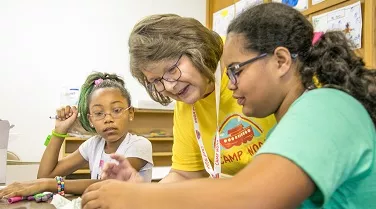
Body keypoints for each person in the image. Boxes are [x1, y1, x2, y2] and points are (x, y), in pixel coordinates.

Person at [81, 3, 376, 209]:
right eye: (156, 82)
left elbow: (254, 196)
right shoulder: (299, 115)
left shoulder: (322, 107)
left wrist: (138, 200)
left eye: (236, 70)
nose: (232, 85)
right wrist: (145, 192)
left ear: (281, 61)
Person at [102, 13, 276, 183]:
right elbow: (185, 174)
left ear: (197, 50)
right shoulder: (186, 100)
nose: (169, 86)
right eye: (156, 80)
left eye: (171, 69)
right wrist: (144, 194)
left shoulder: (243, 61)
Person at [0, 72, 153, 198]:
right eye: (99, 113)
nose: (108, 119)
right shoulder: (94, 144)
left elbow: (108, 185)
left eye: (117, 110)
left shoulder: (139, 145)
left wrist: (48, 185)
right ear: (91, 119)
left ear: (131, 113)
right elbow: (45, 175)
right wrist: (60, 131)